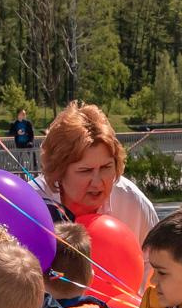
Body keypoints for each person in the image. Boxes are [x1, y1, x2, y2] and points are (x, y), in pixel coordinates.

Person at [33, 102, 160, 241]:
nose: (97, 182)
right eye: (85, 171)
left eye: (106, 167)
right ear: (59, 171)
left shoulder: (132, 204)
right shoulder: (31, 204)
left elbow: (156, 261)